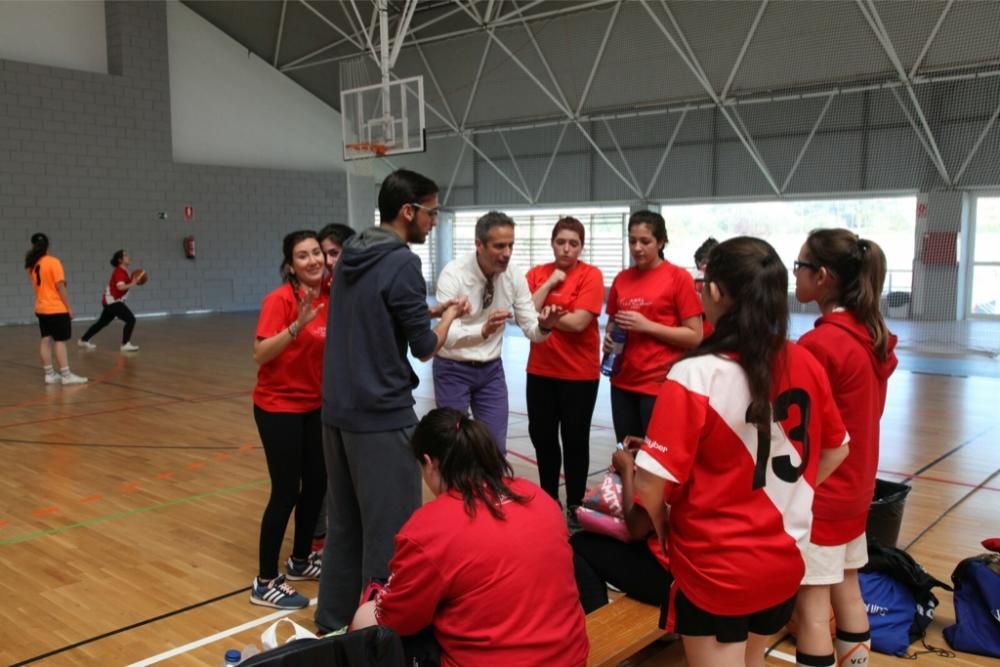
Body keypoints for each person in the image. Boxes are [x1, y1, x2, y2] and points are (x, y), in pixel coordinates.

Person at [633, 236, 850, 667]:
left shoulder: (695, 374)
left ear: (714, 291)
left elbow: (650, 485)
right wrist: (786, 495)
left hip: (716, 567)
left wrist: (660, 526)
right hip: (783, 560)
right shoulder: (803, 361)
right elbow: (837, 451)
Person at [316, 169, 469, 633]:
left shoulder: (353, 253)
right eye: (432, 212)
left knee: (344, 525)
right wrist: (449, 319)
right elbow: (424, 347)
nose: (433, 222)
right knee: (391, 534)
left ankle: (335, 621)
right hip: (380, 416)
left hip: (336, 413)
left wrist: (429, 310)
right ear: (409, 211)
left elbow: (378, 310)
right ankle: (381, 635)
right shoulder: (403, 262)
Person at [351, 408, 589, 667]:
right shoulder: (538, 496)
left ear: (430, 463)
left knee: (366, 619)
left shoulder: (429, 528)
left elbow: (393, 620)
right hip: (571, 658)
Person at [792, 229, 898, 667]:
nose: (793, 275)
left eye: (798, 266)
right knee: (848, 587)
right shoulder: (869, 336)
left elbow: (800, 429)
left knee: (813, 610)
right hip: (856, 488)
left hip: (825, 494)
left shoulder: (822, 344)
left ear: (823, 277)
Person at [433, 211, 563, 453]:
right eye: (499, 246)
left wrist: (546, 325)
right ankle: (457, 492)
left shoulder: (513, 274)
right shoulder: (454, 274)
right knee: (453, 447)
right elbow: (446, 336)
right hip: (453, 369)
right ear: (478, 245)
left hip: (490, 370)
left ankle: (490, 491)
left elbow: (531, 329)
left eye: (511, 245)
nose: (507, 253)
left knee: (494, 448)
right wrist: (482, 331)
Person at [249, 230, 329, 609]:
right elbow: (261, 354)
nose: (313, 260)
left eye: (317, 253)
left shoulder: (330, 297)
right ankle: (265, 582)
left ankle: (300, 561)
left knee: (317, 483)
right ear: (290, 265)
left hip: (314, 406)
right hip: (278, 407)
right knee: (286, 490)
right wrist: (296, 325)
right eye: (303, 255)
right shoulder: (278, 300)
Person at [525, 217, 604, 519]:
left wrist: (547, 318)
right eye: (561, 242)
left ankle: (575, 504)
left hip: (579, 375)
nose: (567, 249)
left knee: (575, 440)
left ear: (581, 247)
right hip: (541, 372)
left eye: (574, 243)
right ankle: (547, 500)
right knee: (543, 439)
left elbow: (580, 322)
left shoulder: (591, 275)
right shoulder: (537, 274)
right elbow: (526, 312)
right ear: (552, 242)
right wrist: (549, 284)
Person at [604, 210, 703, 442]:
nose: (637, 247)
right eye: (632, 241)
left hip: (659, 386)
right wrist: (608, 339)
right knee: (626, 455)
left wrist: (648, 326)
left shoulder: (678, 278)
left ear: (660, 242)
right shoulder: (622, 279)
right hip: (622, 382)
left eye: (645, 241)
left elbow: (694, 335)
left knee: (655, 461)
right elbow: (612, 324)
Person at [570, 436, 672, 614]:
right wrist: (651, 450)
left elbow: (636, 529)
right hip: (709, 565)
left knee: (578, 544)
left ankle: (601, 628)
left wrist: (626, 470)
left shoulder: (669, 461)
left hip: (673, 575)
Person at [310, 222, 355, 554]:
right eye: (322, 253)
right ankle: (315, 539)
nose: (326, 261)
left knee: (344, 473)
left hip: (344, 398)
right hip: (310, 399)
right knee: (316, 473)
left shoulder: (355, 291)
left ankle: (341, 535)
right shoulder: (311, 296)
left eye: (334, 253)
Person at [24, 233, 87, 385]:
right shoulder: (53, 262)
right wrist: (69, 307)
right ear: (47, 245)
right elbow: (60, 287)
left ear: (33, 246)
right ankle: (66, 375)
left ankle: (49, 374)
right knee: (60, 341)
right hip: (56, 308)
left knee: (45, 340)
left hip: (41, 308)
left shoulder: (31, 265)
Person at [78, 249, 142, 352]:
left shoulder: (125, 271)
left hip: (110, 301)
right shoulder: (119, 272)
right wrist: (133, 283)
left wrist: (136, 281)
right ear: (120, 260)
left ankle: (83, 340)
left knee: (102, 323)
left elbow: (126, 285)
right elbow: (120, 287)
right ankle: (125, 344)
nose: (128, 257)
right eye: (125, 255)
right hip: (113, 301)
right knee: (131, 319)